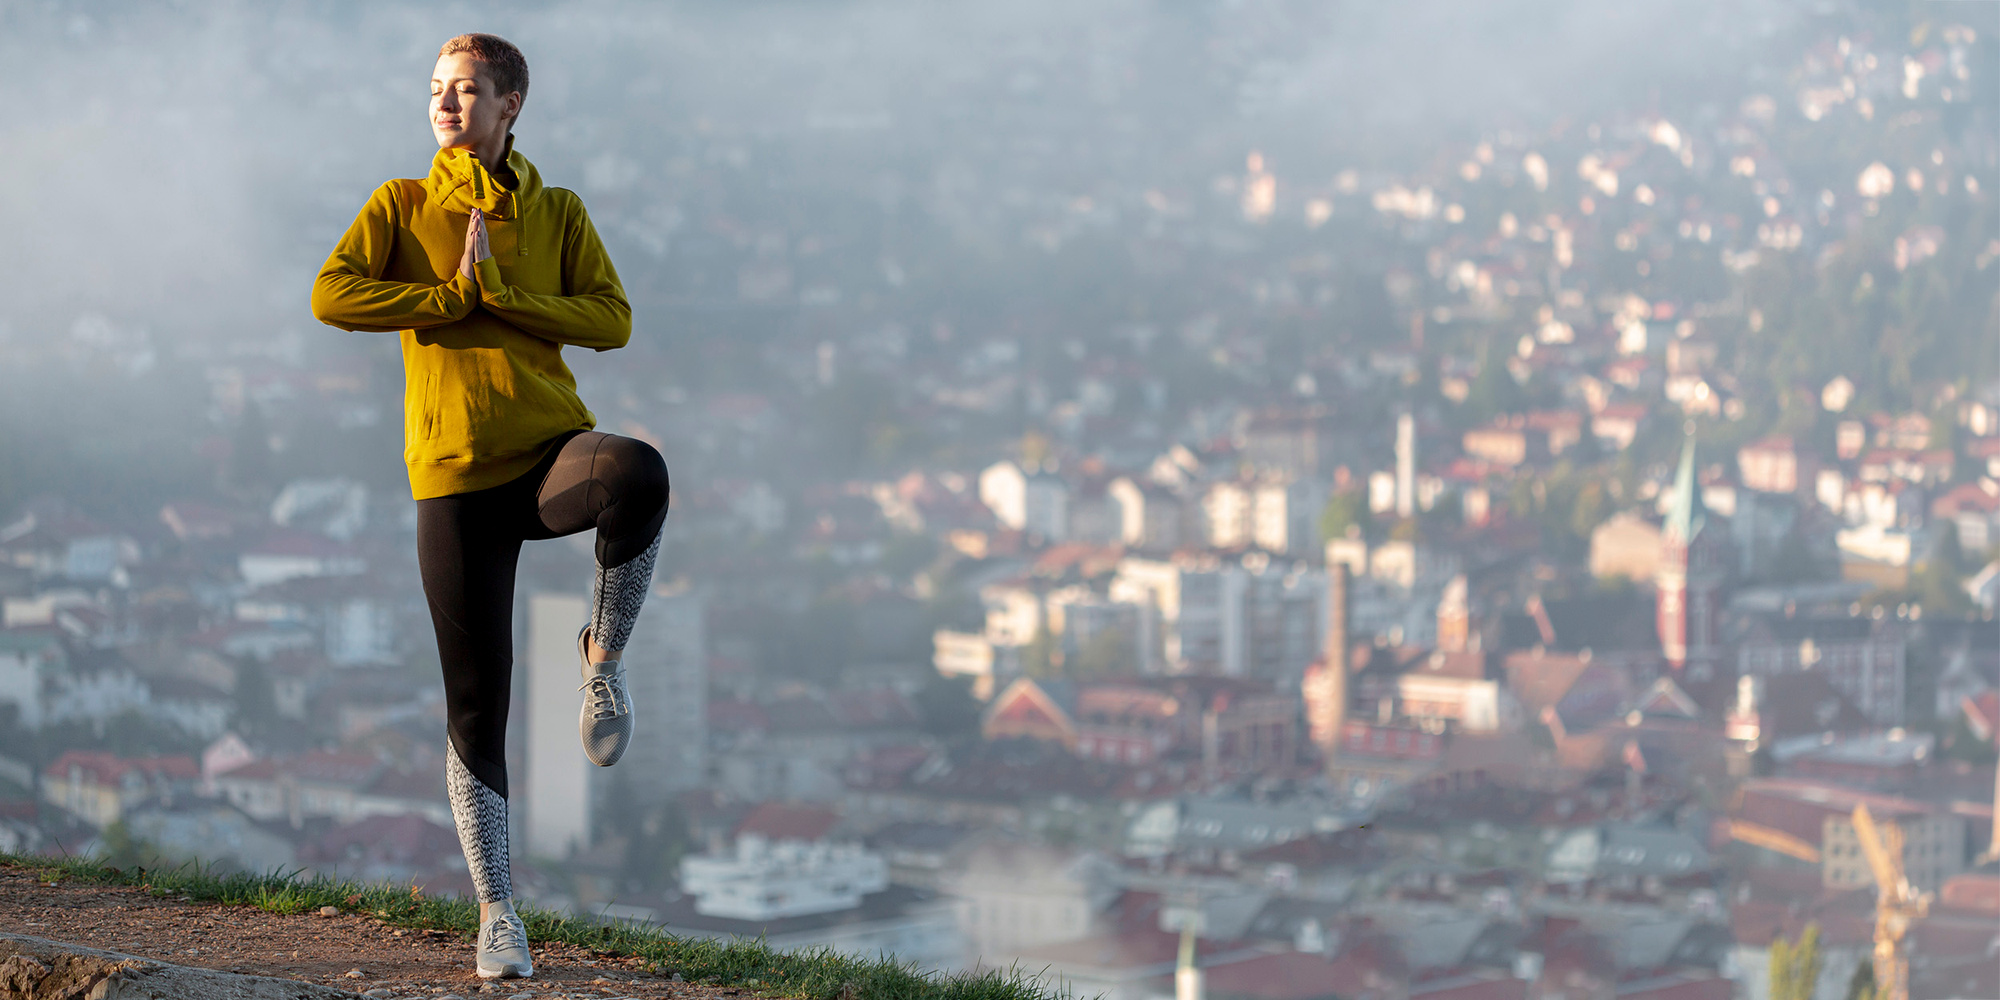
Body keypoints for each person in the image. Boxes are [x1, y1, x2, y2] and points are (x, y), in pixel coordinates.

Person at [310, 33, 668, 981]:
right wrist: (446, 296)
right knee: (478, 708)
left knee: (639, 472)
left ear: (511, 105)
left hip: (549, 454)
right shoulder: (402, 206)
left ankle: (604, 659)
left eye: (465, 89)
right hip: (455, 481)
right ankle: (499, 914)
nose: (445, 104)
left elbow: (613, 319)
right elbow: (330, 294)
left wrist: (506, 298)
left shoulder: (556, 211)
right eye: (436, 89)